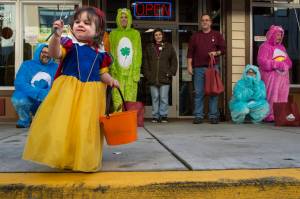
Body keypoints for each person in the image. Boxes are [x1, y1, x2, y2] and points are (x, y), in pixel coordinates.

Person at [22, 7, 119, 172]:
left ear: (98, 30)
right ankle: (66, 155)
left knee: (86, 127)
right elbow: (55, 53)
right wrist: (56, 36)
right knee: (66, 125)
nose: (80, 25)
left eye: (87, 23)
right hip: (69, 92)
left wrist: (111, 81)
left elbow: (102, 73)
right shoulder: (70, 45)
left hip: (92, 95)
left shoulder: (100, 53)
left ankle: (84, 158)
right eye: (77, 22)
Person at [187, 14, 226, 124]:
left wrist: (216, 52)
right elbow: (190, 52)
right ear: (201, 22)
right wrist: (189, 66)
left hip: (213, 68)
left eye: (207, 20)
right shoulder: (195, 36)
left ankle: (213, 116)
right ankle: (198, 116)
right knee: (199, 92)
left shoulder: (217, 35)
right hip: (198, 68)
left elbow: (223, 49)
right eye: (203, 20)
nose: (205, 22)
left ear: (210, 22)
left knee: (213, 92)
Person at [11, 44, 58, 128]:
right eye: (43, 52)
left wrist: (47, 94)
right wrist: (38, 93)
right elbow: (19, 83)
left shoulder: (55, 67)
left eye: (49, 52)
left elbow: (58, 84)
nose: (46, 55)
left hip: (47, 100)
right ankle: (25, 120)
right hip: (31, 98)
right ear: (38, 52)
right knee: (18, 99)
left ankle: (43, 119)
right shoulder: (27, 65)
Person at [257, 25, 292, 122]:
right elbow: (262, 61)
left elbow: (288, 61)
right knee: (272, 96)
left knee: (282, 96)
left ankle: (280, 115)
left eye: (281, 35)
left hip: (283, 78)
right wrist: (277, 64)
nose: (279, 37)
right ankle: (269, 115)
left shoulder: (282, 47)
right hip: (271, 78)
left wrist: (287, 64)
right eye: (277, 34)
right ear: (272, 34)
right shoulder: (264, 47)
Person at [109, 8, 142, 111]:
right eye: (121, 17)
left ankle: (128, 121)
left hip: (131, 74)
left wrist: (136, 70)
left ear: (130, 19)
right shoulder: (113, 34)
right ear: (118, 19)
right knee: (117, 97)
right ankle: (119, 121)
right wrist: (112, 69)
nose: (123, 19)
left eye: (126, 17)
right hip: (117, 73)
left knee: (130, 99)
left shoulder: (135, 34)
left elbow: (138, 53)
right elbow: (110, 52)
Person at [143, 28, 178, 123]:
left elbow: (174, 61)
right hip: (152, 78)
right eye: (156, 35)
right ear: (153, 37)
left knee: (163, 97)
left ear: (163, 36)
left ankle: (163, 116)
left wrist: (170, 72)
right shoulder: (149, 47)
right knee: (155, 98)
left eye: (160, 34)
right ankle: (155, 116)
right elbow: (145, 62)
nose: (158, 36)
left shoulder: (169, 47)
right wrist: (148, 74)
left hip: (165, 77)